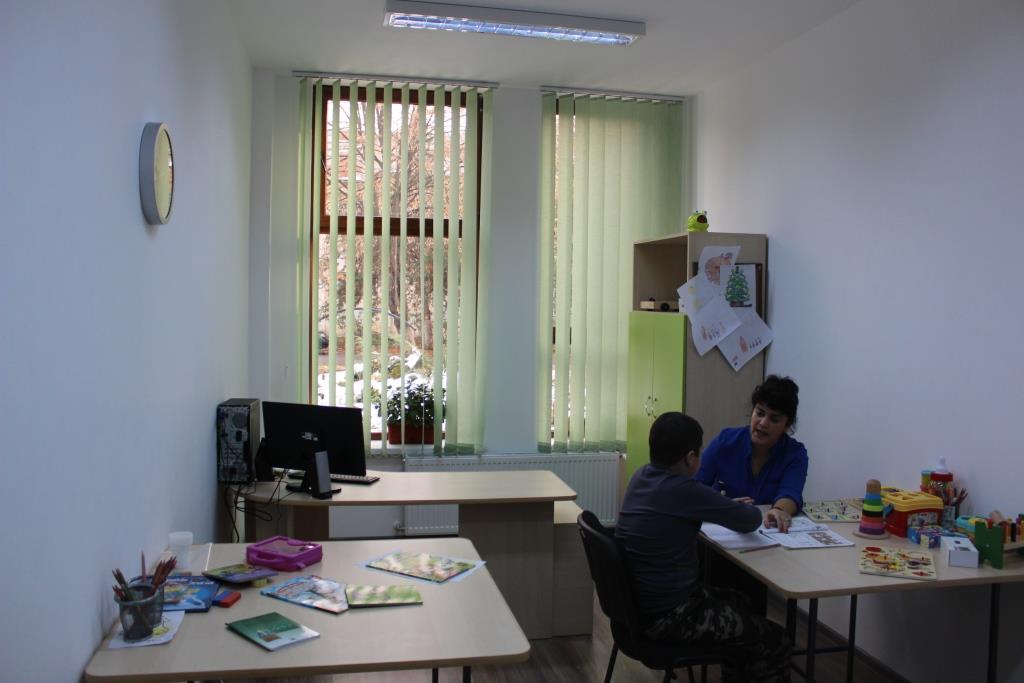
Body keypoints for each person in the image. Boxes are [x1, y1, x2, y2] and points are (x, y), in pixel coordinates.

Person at [616, 412, 791, 683]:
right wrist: (725, 505)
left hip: (637, 610)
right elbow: (750, 520)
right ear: (690, 458)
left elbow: (683, 507)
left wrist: (717, 504)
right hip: (670, 617)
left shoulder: (642, 476)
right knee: (776, 639)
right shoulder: (684, 490)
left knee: (744, 602)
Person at [696, 375, 807, 533]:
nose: (763, 423)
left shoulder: (795, 453)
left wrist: (779, 510)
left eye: (774, 419)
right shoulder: (725, 442)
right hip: (722, 530)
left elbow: (791, 493)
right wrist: (725, 506)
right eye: (760, 413)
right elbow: (695, 488)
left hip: (768, 532)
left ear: (787, 425)